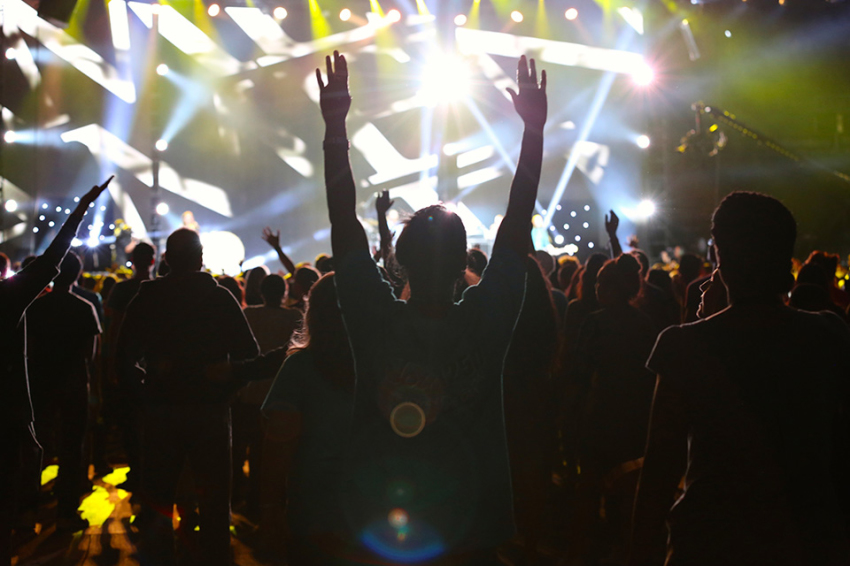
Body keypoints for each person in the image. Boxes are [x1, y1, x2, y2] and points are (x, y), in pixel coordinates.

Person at [317, 51, 546, 564]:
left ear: (400, 258)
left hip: (381, 523)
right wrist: (533, 133)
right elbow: (517, 224)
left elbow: (343, 223)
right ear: (465, 259)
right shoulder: (489, 318)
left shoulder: (372, 318)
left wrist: (336, 129)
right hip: (474, 528)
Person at [631, 192, 850, 566]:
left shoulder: (683, 345)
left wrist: (637, 553)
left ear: (721, 256)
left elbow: (659, 472)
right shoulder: (830, 334)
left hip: (711, 540)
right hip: (806, 538)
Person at [116, 228, 259, 566]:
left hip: (161, 411)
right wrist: (224, 388)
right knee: (213, 503)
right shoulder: (220, 298)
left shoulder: (147, 298)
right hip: (210, 412)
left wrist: (144, 394)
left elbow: (122, 357)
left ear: (166, 260)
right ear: (200, 259)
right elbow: (249, 355)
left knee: (159, 499)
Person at [0, 177, 111, 564]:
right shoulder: (12, 299)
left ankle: (26, 513)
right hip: (16, 408)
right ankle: (47, 516)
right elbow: (51, 259)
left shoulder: (27, 303)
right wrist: (81, 207)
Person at [563, 253, 658, 565]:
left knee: (587, 494)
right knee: (626, 498)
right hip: (634, 420)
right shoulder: (645, 324)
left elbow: (578, 375)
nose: (596, 287)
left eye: (602, 282)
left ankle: (582, 553)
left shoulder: (595, 322)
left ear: (615, 288)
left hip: (599, 417)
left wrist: (570, 418)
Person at [261, 272, 355, 565]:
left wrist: (269, 509)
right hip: (371, 509)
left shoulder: (300, 368)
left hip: (313, 510)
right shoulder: (384, 366)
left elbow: (279, 445)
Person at [26, 251, 102, 528]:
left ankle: (28, 507)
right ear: (77, 275)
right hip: (73, 384)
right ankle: (66, 511)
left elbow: (29, 350)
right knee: (72, 447)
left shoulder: (35, 308)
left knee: (37, 446)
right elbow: (90, 356)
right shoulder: (85, 308)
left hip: (41, 382)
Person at [234, 274, 301, 518]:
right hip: (281, 395)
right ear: (284, 292)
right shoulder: (293, 318)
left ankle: (245, 502)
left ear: (261, 292)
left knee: (246, 451)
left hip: (250, 392)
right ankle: (268, 508)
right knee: (272, 457)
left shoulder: (249, 314)